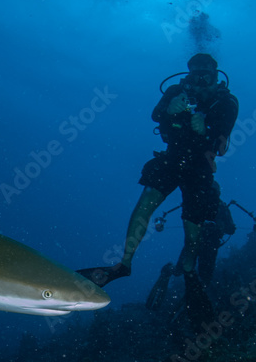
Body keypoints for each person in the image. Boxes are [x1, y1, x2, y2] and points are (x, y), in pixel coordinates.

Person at [79, 53, 238, 324]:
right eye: (195, 73)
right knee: (146, 203)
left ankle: (189, 269)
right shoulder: (176, 90)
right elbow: (155, 114)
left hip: (200, 169)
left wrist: (207, 130)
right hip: (172, 158)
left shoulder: (226, 101)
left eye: (206, 74)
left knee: (193, 230)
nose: (200, 79)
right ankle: (124, 264)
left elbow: (223, 143)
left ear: (215, 74)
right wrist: (170, 109)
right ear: (187, 73)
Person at [145, 191, 237, 312]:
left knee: (181, 269)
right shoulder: (222, 207)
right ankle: (189, 301)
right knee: (205, 278)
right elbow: (231, 229)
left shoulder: (197, 201)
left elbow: (186, 218)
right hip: (209, 246)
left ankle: (170, 272)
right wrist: (221, 226)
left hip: (193, 242)